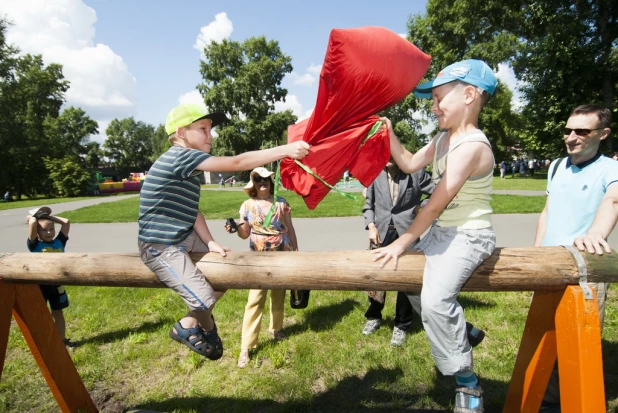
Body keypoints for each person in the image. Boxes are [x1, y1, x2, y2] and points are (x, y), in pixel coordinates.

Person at [372, 59, 498, 412]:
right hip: (442, 232)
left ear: (469, 95)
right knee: (408, 282)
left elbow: (433, 205)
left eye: (439, 97)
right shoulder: (444, 137)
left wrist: (401, 241)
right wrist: (389, 133)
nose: (433, 105)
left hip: (469, 235)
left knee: (434, 302)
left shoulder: (472, 145)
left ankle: (467, 381)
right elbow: (410, 162)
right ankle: (462, 331)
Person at [138, 103, 309, 361]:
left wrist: (210, 242)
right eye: (203, 129)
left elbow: (194, 212)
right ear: (181, 132)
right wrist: (285, 150)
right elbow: (237, 162)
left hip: (184, 236)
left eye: (210, 129)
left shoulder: (186, 168)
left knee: (226, 275)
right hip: (160, 245)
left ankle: (186, 323)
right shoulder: (180, 156)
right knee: (204, 301)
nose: (210, 135)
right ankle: (206, 329)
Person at [534, 104, 618, 410]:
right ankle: (545, 400)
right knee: (543, 336)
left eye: (581, 131)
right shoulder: (556, 166)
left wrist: (596, 233)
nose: (571, 137)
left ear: (603, 134)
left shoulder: (611, 169)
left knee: (579, 342)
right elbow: (548, 210)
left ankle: (575, 402)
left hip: (584, 268)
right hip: (549, 265)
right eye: (568, 130)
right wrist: (537, 251)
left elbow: (613, 199)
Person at [225, 167, 299, 368]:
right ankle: (246, 347)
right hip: (258, 259)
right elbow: (244, 233)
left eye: (266, 178)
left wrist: (296, 254)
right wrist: (236, 229)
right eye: (258, 179)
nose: (262, 181)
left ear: (271, 181)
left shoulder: (281, 203)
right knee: (255, 299)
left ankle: (276, 329)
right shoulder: (247, 205)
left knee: (279, 294)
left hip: (282, 254)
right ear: (253, 183)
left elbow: (290, 228)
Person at [362, 160, 433, 345]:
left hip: (408, 233)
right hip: (381, 232)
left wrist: (421, 208)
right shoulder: (374, 172)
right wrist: (371, 226)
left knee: (406, 281)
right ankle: (373, 316)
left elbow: (438, 192)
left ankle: (401, 325)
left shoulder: (415, 172)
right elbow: (368, 205)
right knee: (376, 277)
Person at [26, 206, 76, 348]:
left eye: (51, 229)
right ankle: (44, 342)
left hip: (57, 285)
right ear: (37, 232)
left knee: (57, 312)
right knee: (42, 314)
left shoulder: (59, 242)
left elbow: (66, 222)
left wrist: (48, 218)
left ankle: (62, 341)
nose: (49, 232)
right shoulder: (34, 244)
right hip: (41, 285)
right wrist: (33, 217)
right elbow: (31, 223)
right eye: (44, 230)